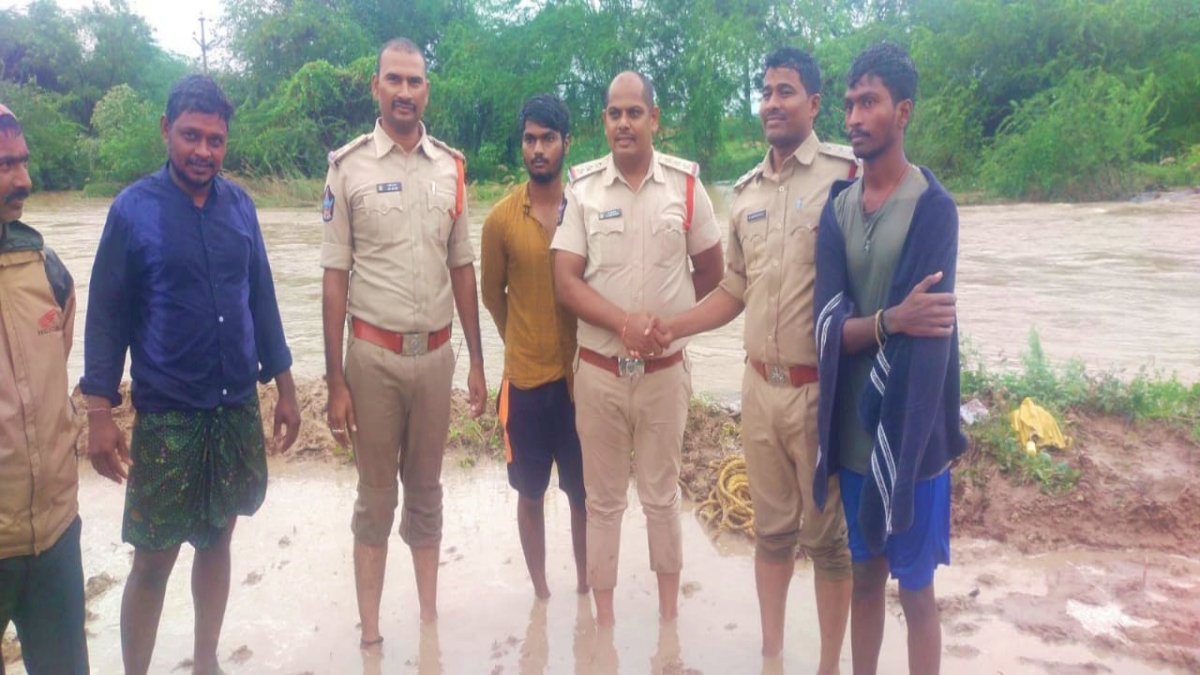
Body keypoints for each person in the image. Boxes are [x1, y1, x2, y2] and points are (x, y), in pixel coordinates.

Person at [80, 75, 301, 675]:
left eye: (216, 140)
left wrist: (284, 387)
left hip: (233, 409)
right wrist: (99, 413)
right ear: (165, 131)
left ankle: (206, 662)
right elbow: (105, 317)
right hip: (169, 412)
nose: (203, 151)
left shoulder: (240, 206)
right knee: (153, 559)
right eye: (191, 136)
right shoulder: (132, 212)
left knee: (219, 541)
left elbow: (262, 298)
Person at [654, 47, 856, 668]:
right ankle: (772, 656)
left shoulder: (845, 179)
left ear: (815, 104)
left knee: (828, 543)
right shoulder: (743, 194)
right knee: (770, 535)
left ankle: (826, 663)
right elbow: (733, 290)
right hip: (758, 391)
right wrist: (674, 328)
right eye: (766, 91)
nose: (772, 102)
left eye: (787, 91)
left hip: (823, 390)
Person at [320, 37, 487, 649]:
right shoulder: (348, 167)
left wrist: (475, 361)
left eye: (415, 82)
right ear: (376, 87)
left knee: (427, 492)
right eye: (394, 80)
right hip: (371, 359)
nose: (405, 92)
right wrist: (334, 380)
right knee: (374, 498)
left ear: (426, 90)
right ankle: (370, 634)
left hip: (438, 357)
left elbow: (463, 266)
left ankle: (427, 622)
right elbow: (334, 275)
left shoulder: (452, 166)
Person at [812, 42, 966, 675]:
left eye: (869, 102)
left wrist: (874, 325)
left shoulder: (934, 207)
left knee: (918, 590)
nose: (854, 116)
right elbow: (824, 328)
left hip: (913, 439)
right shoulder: (837, 208)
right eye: (849, 103)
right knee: (866, 578)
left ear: (902, 112)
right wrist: (889, 321)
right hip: (851, 434)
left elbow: (930, 332)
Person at [551, 71, 724, 627]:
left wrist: (667, 328)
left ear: (654, 117)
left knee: (662, 497)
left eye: (633, 113)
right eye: (613, 113)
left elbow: (714, 273)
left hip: (664, 376)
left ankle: (668, 622)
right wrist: (625, 323)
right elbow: (566, 280)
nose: (623, 123)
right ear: (603, 121)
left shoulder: (686, 188)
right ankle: (604, 624)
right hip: (599, 374)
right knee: (602, 503)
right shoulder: (581, 191)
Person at [481, 94, 587, 599]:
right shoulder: (500, 220)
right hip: (523, 384)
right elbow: (491, 295)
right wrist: (520, 339)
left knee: (583, 496)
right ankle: (542, 592)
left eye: (548, 138)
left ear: (567, 143)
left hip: (581, 381)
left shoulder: (586, 211)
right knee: (530, 493)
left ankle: (588, 586)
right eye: (530, 139)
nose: (538, 148)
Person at [0, 103, 89, 675]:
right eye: (6, 165)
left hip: (55, 534)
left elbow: (53, 389)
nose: (25, 180)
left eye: (23, 162)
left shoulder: (49, 270)